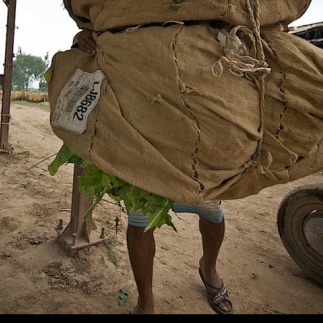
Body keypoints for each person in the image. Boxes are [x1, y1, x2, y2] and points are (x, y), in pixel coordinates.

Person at [72, 28, 233, 315]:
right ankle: (146, 300)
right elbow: (95, 33)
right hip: (140, 129)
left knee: (212, 211)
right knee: (141, 218)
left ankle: (208, 268)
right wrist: (81, 39)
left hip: (193, 127)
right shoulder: (129, 6)